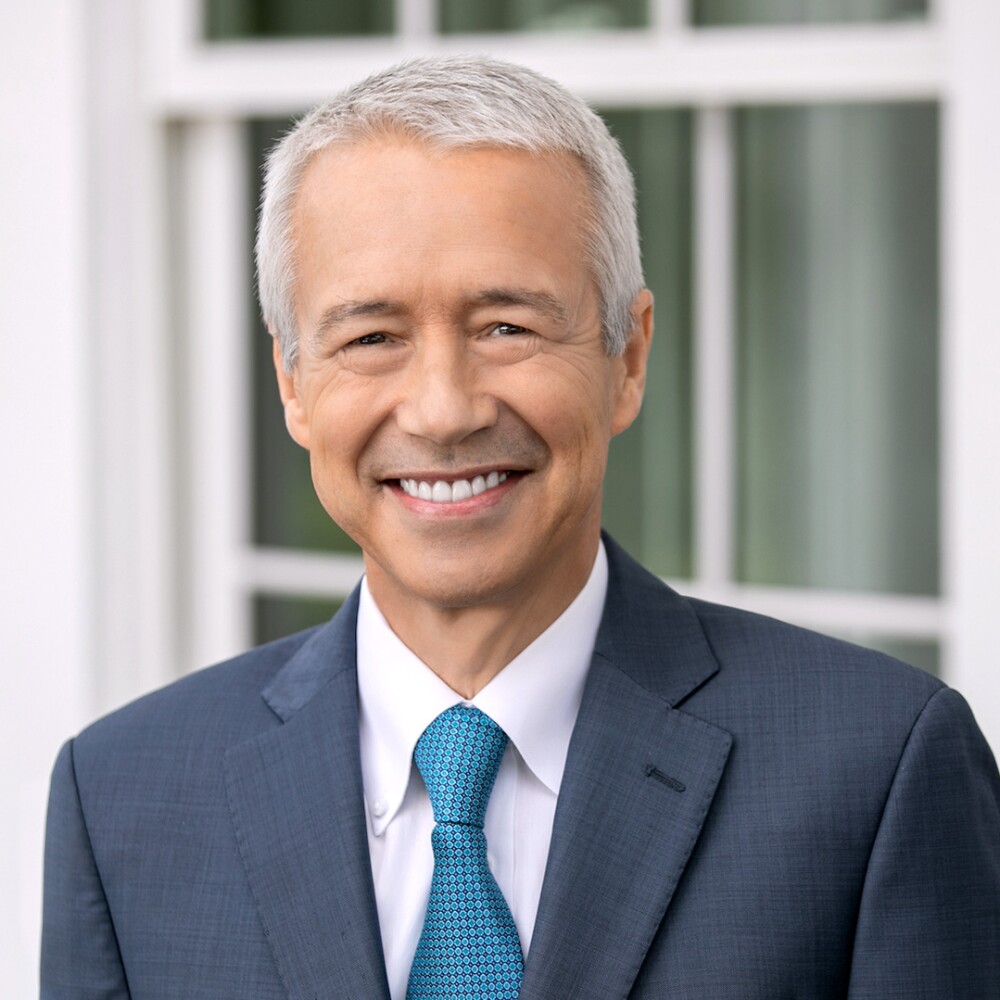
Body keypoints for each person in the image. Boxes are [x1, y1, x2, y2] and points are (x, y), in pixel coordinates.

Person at [42, 55, 1000, 999]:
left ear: (627, 355)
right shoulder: (122, 798)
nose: (443, 411)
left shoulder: (880, 771)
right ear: (293, 382)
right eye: (371, 337)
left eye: (507, 327)